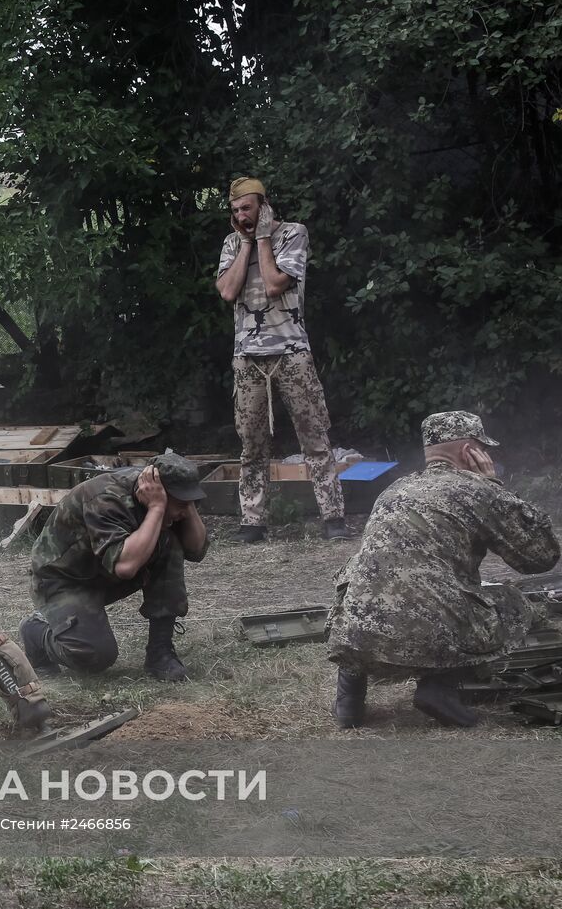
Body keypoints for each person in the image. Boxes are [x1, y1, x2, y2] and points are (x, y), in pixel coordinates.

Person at [327, 411, 560, 728]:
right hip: (427, 633)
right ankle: (438, 689)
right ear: (470, 451)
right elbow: (540, 557)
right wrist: (494, 487)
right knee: (511, 602)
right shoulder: (476, 490)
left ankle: (349, 701)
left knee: (374, 580)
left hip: (356, 636)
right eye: (483, 448)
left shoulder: (394, 490)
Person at [215, 176, 350, 543]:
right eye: (236, 210)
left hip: (292, 352)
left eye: (247, 208)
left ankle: (333, 518)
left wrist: (261, 238)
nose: (241, 215)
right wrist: (245, 241)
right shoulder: (232, 242)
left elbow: (275, 283)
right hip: (248, 357)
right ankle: (253, 522)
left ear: (264, 205)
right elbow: (227, 291)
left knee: (315, 438)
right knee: (251, 444)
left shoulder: (293, 234)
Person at [19, 453, 210, 682]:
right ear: (156, 492)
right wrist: (158, 508)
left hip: (102, 572)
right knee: (95, 656)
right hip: (63, 580)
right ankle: (35, 632)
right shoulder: (105, 497)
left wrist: (185, 506)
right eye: (180, 503)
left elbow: (196, 549)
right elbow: (125, 567)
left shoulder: (173, 500)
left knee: (170, 543)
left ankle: (160, 652)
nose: (184, 510)